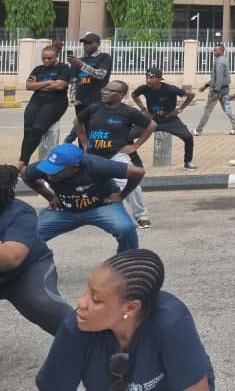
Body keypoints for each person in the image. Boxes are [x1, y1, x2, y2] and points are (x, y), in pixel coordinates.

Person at [36, 249, 214, 390]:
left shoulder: (171, 324)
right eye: (87, 290)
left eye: (96, 299)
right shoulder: (75, 327)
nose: (81, 303)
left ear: (130, 308)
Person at [22, 143, 145, 253]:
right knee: (26, 236)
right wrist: (50, 196)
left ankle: (127, 262)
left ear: (75, 166)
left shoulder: (96, 165)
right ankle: (25, 265)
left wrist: (121, 195)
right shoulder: (44, 168)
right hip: (65, 209)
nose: (50, 173)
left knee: (126, 229)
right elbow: (25, 174)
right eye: (49, 167)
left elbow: (137, 172)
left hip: (101, 205)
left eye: (56, 170)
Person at [0, 165, 73, 336]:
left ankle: (99, 345)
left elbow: (10, 258)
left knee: (45, 305)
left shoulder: (20, 212)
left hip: (26, 272)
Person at [74, 80, 156, 229]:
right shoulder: (94, 108)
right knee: (77, 181)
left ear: (121, 95)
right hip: (93, 156)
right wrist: (84, 143)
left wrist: (136, 146)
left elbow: (152, 125)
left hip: (115, 155)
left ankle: (141, 216)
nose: (105, 92)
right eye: (105, 89)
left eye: (111, 91)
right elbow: (77, 122)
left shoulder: (128, 112)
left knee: (130, 183)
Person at [131, 67, 197, 170]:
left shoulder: (170, 89)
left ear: (159, 79)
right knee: (128, 136)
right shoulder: (144, 88)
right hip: (151, 120)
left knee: (188, 137)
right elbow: (134, 95)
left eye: (151, 78)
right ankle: (136, 162)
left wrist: (179, 109)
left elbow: (191, 95)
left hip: (169, 120)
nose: (148, 80)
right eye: (147, 77)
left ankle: (188, 162)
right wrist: (143, 109)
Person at [18, 43, 71, 169]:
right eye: (44, 58)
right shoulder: (38, 69)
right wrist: (48, 82)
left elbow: (59, 86)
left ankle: (21, 163)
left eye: (49, 58)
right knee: (28, 130)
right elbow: (28, 86)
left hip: (56, 102)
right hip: (36, 101)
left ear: (56, 57)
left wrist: (38, 85)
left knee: (37, 129)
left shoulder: (63, 68)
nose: (46, 60)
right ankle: (24, 162)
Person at [63, 33, 112, 144]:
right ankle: (82, 151)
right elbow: (74, 81)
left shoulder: (104, 57)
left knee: (94, 127)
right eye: (84, 43)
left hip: (97, 99)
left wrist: (81, 64)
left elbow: (100, 75)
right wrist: (73, 98)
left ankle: (90, 150)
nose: (86, 45)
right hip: (81, 101)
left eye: (90, 43)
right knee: (81, 128)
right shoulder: (78, 60)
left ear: (98, 44)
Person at [195, 43, 235, 136]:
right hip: (225, 89)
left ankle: (198, 130)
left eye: (216, 50)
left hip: (217, 90)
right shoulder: (224, 60)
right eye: (214, 50)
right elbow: (217, 77)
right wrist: (206, 85)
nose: (213, 52)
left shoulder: (219, 62)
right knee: (227, 108)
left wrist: (216, 91)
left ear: (222, 51)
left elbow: (219, 78)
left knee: (207, 110)